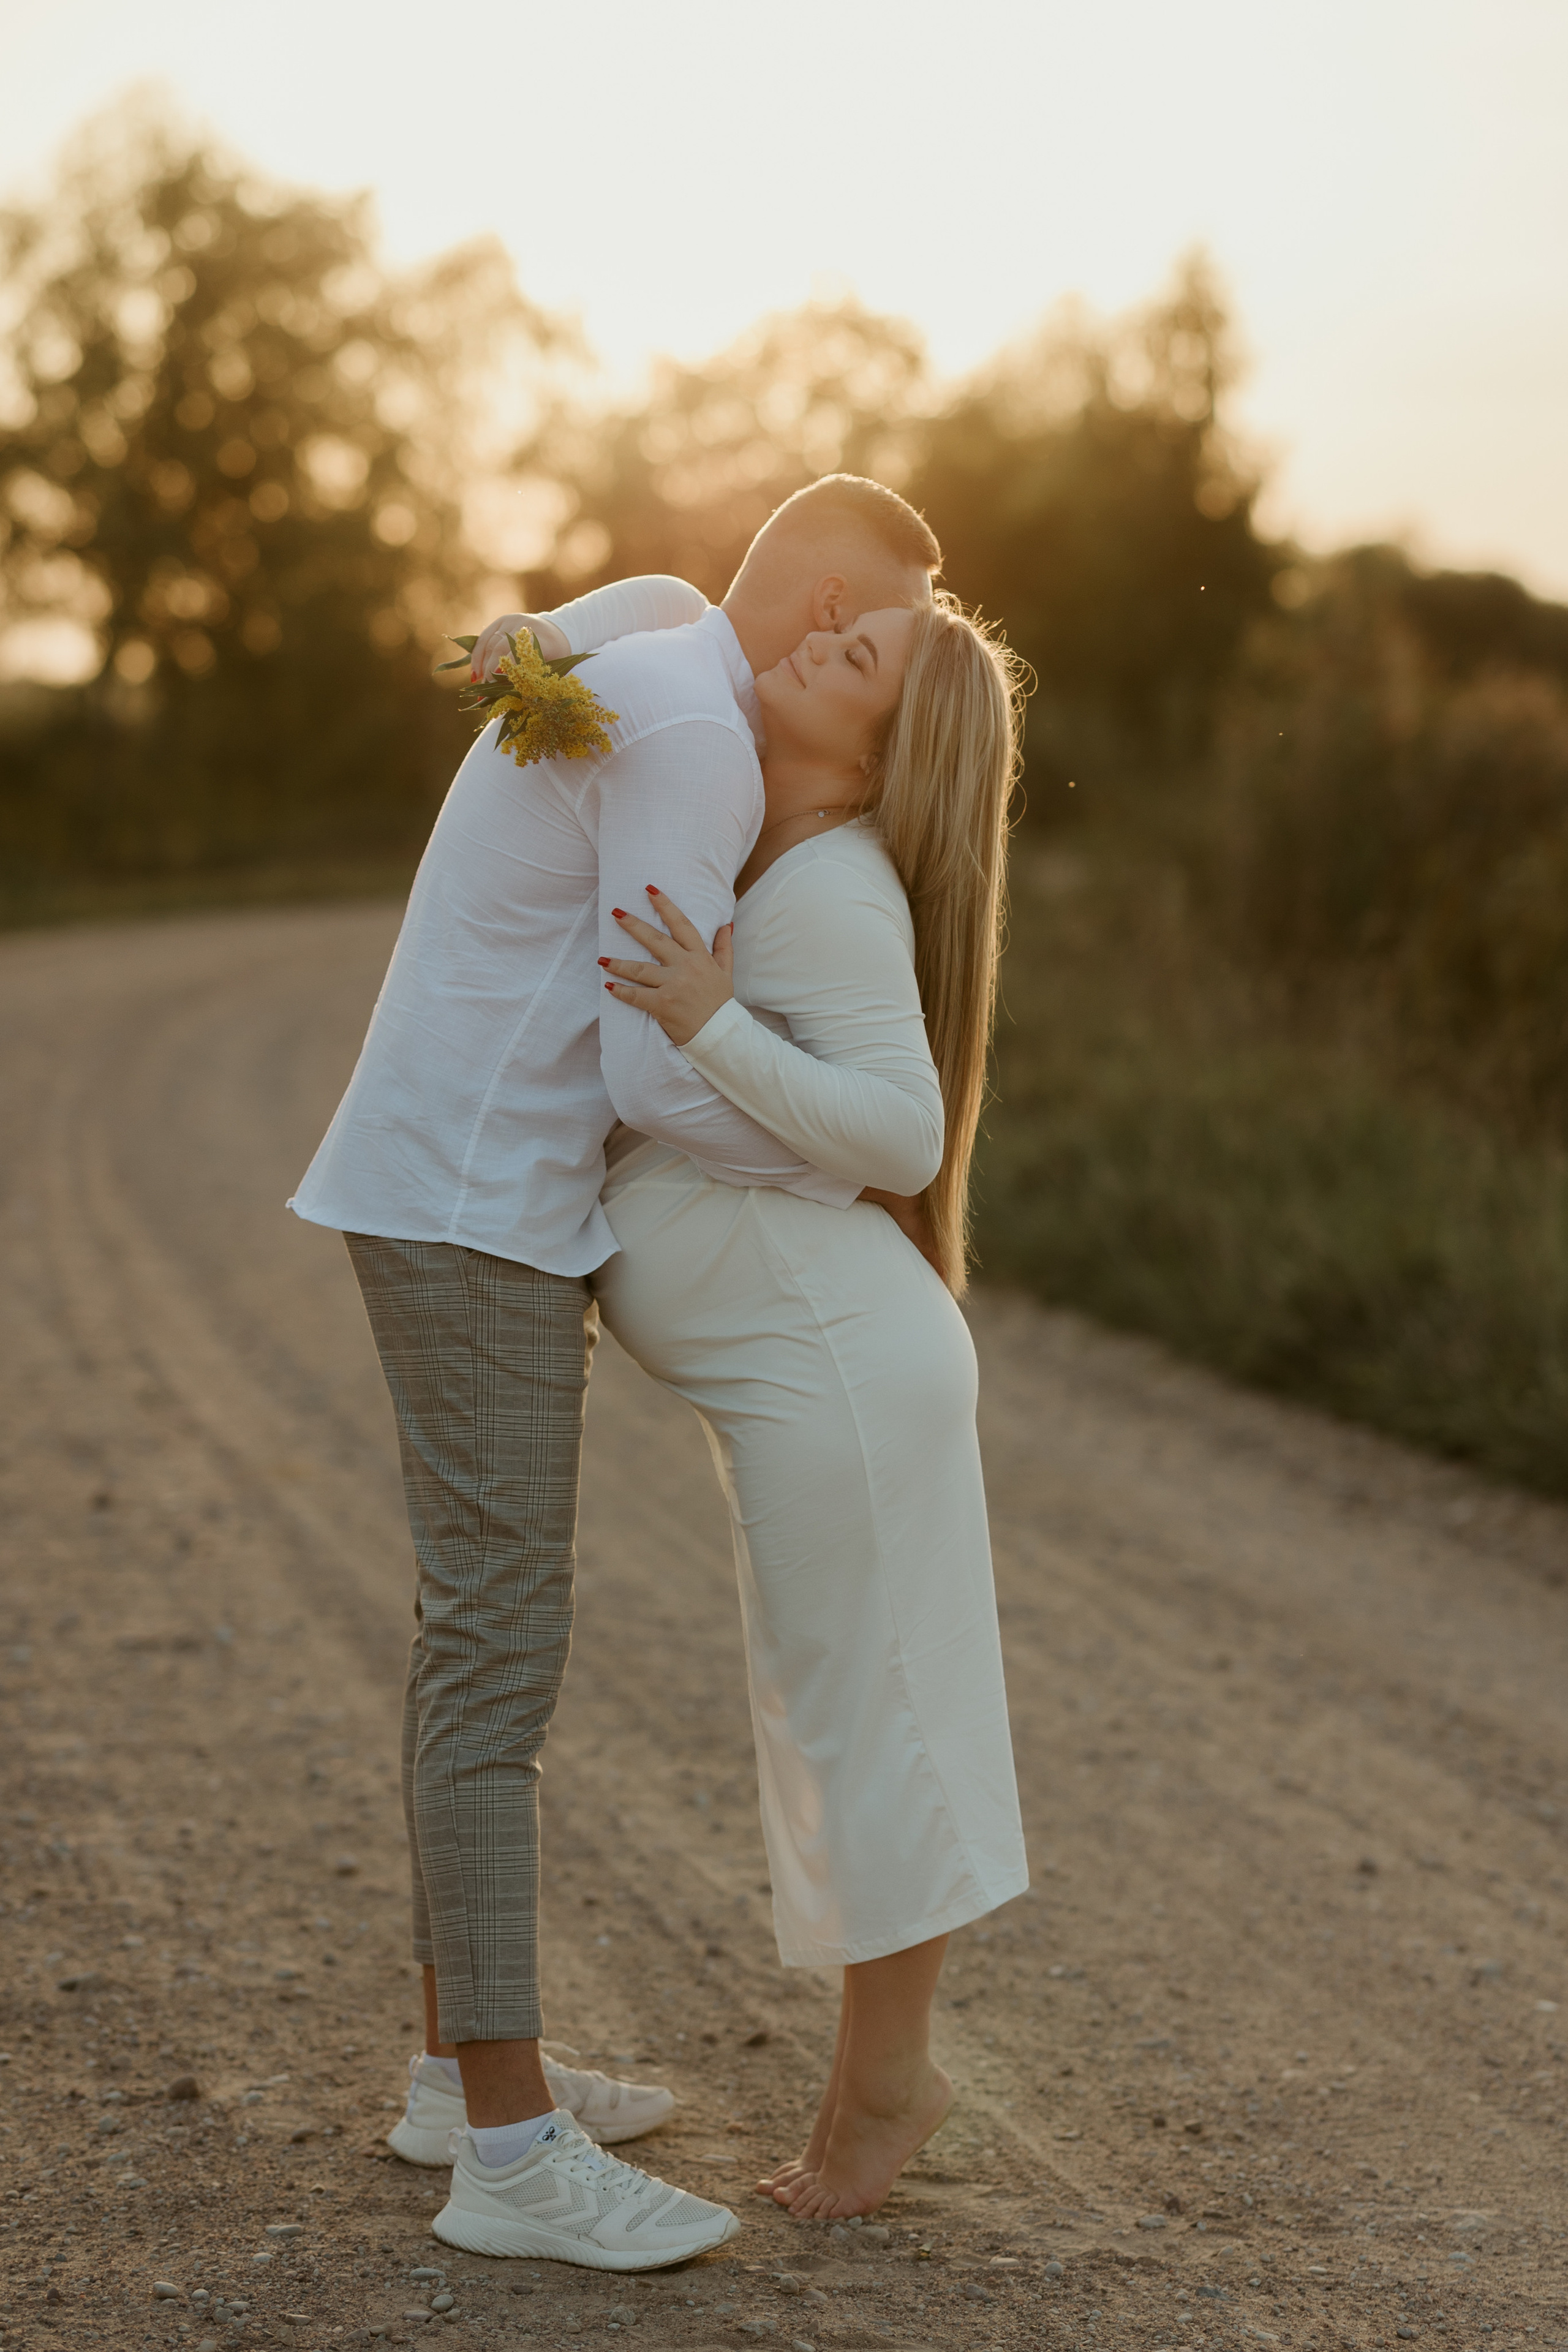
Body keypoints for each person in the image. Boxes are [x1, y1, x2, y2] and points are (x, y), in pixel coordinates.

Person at [287, 477, 941, 2267]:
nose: (878, 696)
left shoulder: (660, 633)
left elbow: (614, 595)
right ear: (816, 613)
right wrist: (841, 1175)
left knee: (467, 1636)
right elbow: (657, 1072)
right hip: (480, 1206)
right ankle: (509, 2154)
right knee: (497, 1653)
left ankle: (453, 2073)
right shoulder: (705, 756)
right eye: (879, 651)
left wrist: (530, 632)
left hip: (447, 1180)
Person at [592, 590, 1030, 2219]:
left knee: (872, 1728)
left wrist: (704, 1019)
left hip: (845, 1371)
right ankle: (879, 2091)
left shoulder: (834, 890)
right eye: (841, 628)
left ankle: (881, 2106)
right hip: (828, 1365)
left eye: (865, 662)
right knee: (843, 1717)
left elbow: (900, 1139)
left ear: (885, 744)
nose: (827, 640)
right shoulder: (764, 857)